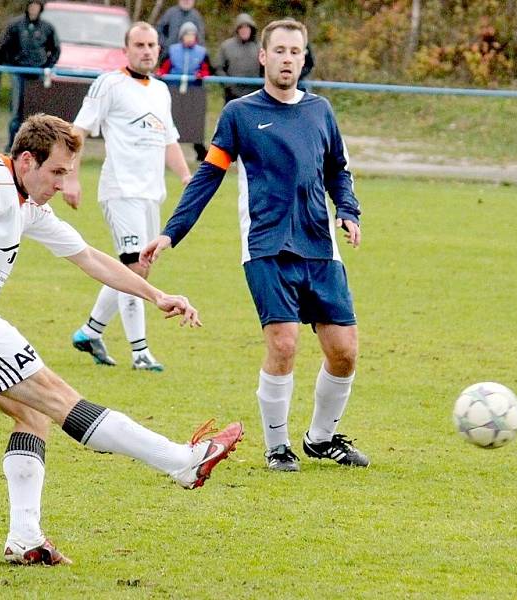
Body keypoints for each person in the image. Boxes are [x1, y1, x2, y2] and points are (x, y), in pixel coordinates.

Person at [0, 113, 243, 565]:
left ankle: (25, 539)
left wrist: (156, 295)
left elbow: (89, 257)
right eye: (57, 171)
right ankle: (182, 461)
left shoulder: (27, 204)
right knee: (61, 399)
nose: (62, 183)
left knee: (33, 416)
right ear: (26, 161)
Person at [141, 20, 369, 473]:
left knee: (344, 350)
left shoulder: (321, 111)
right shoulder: (241, 115)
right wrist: (172, 231)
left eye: (295, 52)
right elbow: (208, 176)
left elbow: (337, 170)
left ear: (304, 59)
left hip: (320, 246)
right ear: (263, 57)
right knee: (283, 344)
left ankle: (321, 439)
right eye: (279, 51)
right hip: (265, 245)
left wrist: (348, 209)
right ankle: (277, 445)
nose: (287, 59)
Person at [63, 22, 192, 372]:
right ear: (126, 48)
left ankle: (90, 332)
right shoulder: (110, 84)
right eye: (139, 44)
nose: (147, 50)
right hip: (121, 190)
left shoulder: (162, 91)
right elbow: (78, 130)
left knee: (137, 268)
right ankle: (140, 353)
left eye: (152, 44)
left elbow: (169, 140)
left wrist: (186, 177)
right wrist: (71, 178)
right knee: (136, 267)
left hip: (152, 194)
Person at [0, 0, 60, 152]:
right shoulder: (15, 25)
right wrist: (11, 64)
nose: (34, 9)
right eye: (32, 6)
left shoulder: (47, 27)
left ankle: (34, 146)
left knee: (35, 112)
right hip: (19, 73)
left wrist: (47, 65)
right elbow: (3, 46)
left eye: (37, 6)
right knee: (16, 112)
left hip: (37, 74)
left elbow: (55, 49)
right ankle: (12, 145)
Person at [156, 21, 212, 161]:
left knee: (194, 122)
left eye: (192, 35)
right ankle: (164, 149)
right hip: (174, 89)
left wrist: (201, 75)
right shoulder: (172, 50)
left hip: (194, 92)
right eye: (187, 35)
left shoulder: (201, 52)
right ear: (182, 36)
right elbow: (165, 67)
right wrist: (162, 73)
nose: (190, 37)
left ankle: (199, 151)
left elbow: (206, 69)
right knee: (171, 119)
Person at [214, 13, 262, 104]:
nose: (244, 30)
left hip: (255, 94)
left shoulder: (260, 47)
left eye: (247, 27)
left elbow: (267, 69)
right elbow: (218, 67)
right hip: (232, 95)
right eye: (241, 27)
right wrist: (228, 84)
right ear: (237, 29)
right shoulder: (226, 46)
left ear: (251, 29)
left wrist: (262, 85)